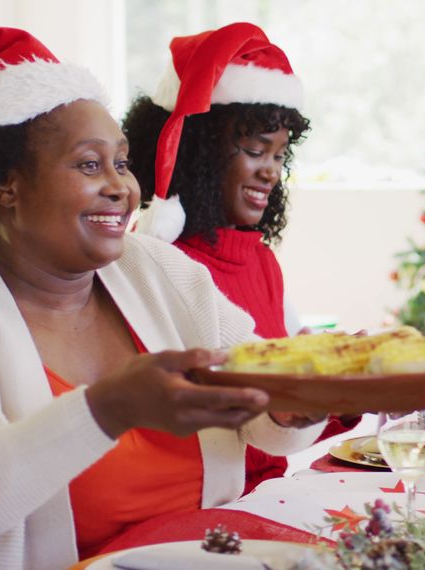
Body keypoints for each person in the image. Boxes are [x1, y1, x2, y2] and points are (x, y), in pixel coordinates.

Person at [0, 28, 324, 568]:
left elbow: (257, 405)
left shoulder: (157, 269)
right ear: (6, 185)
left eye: (121, 163)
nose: (121, 189)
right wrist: (108, 409)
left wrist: (293, 401)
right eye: (88, 164)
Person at [123, 22, 359, 493]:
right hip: (213, 508)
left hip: (270, 494)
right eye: (255, 150)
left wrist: (346, 392)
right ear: (197, 153)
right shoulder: (160, 264)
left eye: (280, 155)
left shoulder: (262, 263)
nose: (271, 171)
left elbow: (281, 427)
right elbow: (221, 437)